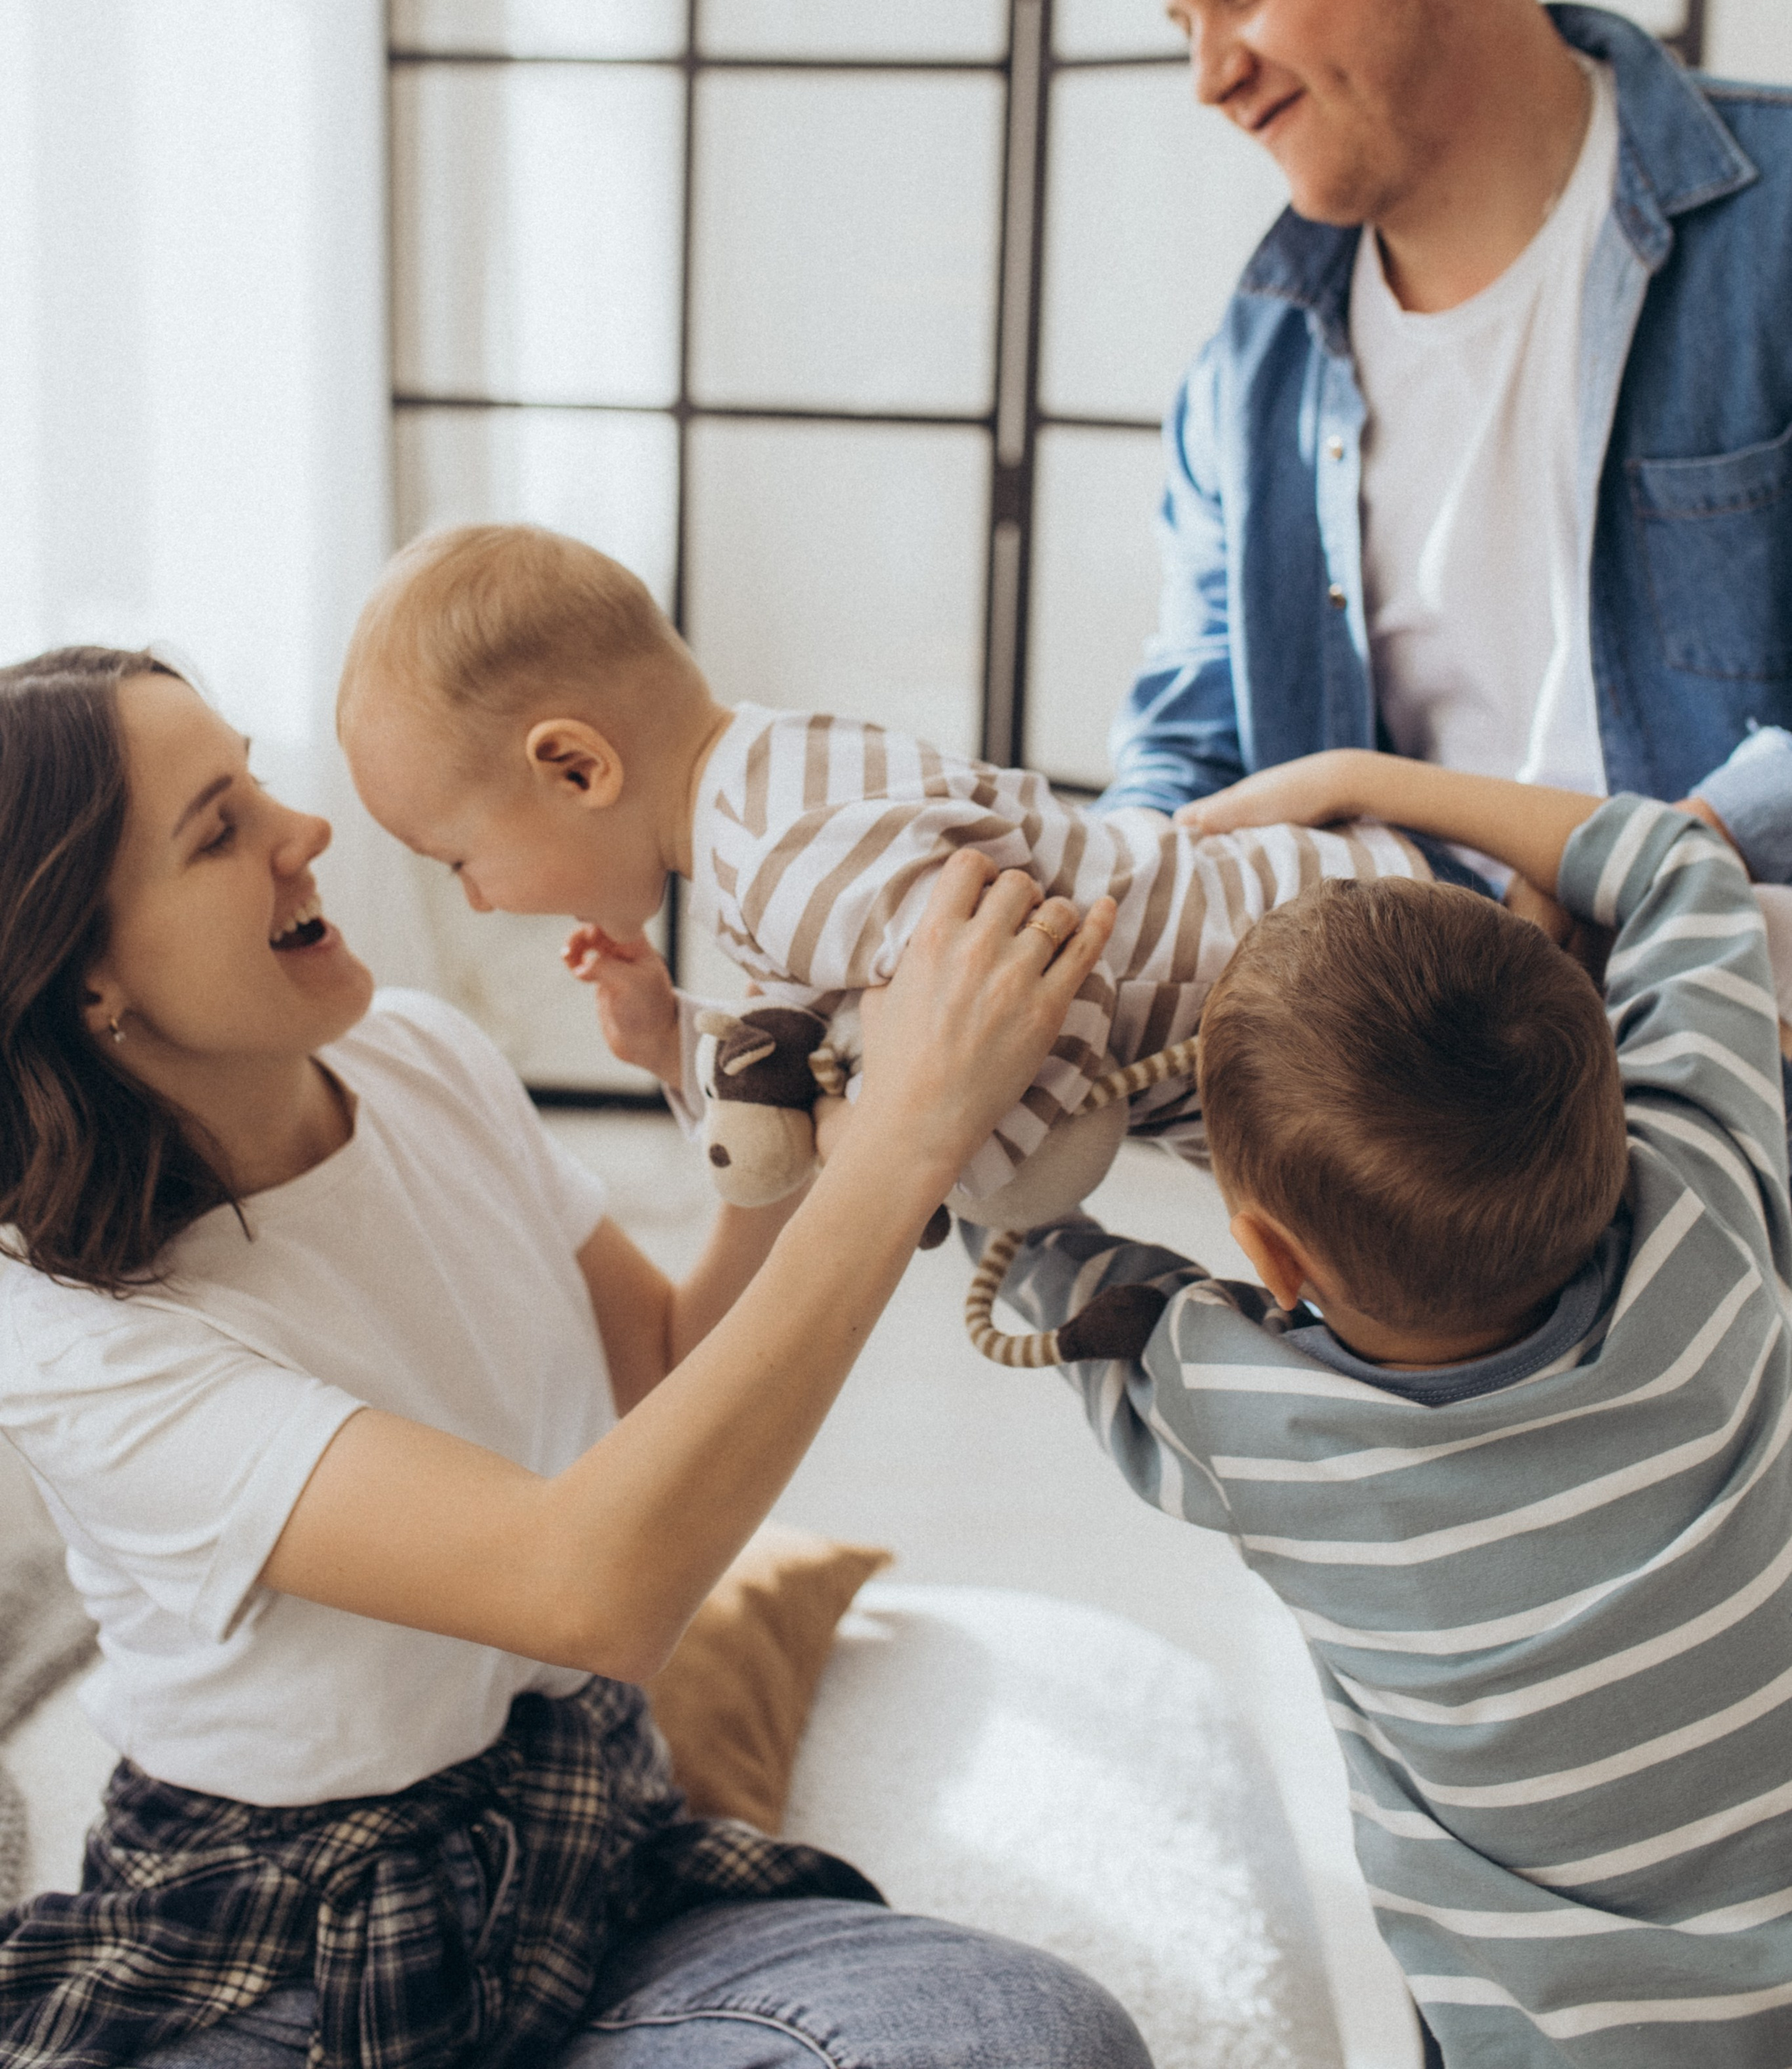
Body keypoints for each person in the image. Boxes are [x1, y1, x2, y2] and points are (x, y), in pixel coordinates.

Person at [0, 646, 1150, 2069]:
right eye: (220, 830)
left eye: (258, 782)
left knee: (1029, 2036)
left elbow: (659, 1366)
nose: (306, 832)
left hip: (583, 1827)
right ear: (90, 982)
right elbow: (587, 1591)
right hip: (271, 1928)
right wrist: (907, 1143)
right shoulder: (73, 1332)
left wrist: (791, 1120)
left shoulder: (419, 1056)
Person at [981, 741, 1792, 2065]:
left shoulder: (1247, 1424)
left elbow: (1037, 1247)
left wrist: (947, 1121)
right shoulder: (1704, 1195)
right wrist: (1365, 777)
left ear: (1271, 1252)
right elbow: (1674, 862)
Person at [1102, 0, 1792, 1012]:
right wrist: (1083, 905)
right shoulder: (1249, 367)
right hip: (1404, 1067)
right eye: (1184, 22)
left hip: (1741, 1038)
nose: (1208, 77)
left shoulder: (1776, 226)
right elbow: (1189, 749)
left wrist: (1648, 860)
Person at [334, 521, 1426, 1226]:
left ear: (577, 768)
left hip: (1362, 993)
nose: (476, 898)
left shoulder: (783, 862)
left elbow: (1042, 985)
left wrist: (898, 1157)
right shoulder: (761, 788)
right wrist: (676, 1038)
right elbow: (828, 1038)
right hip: (1326, 937)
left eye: (460, 860)